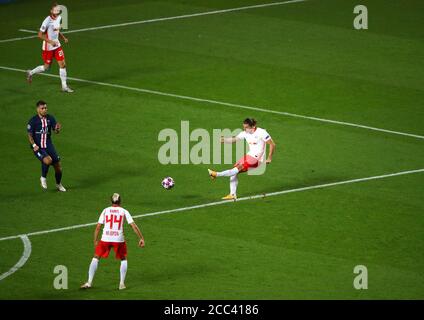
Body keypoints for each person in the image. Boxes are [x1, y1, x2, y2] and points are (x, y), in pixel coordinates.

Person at [81, 193, 145, 290]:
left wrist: (95, 240)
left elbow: (98, 227)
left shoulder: (105, 210)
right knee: (123, 258)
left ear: (111, 201)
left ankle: (89, 282)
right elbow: (133, 226)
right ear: (120, 202)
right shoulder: (124, 211)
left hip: (105, 238)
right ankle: (121, 284)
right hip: (118, 239)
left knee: (96, 257)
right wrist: (141, 238)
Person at [208, 118, 276, 200]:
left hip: (257, 159)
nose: (244, 129)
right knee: (234, 171)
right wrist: (224, 140)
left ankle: (216, 174)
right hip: (249, 155)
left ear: (253, 126)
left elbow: (272, 144)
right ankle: (232, 194)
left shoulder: (261, 132)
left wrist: (269, 158)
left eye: (246, 127)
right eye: (244, 127)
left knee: (236, 170)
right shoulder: (245, 133)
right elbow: (234, 139)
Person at [26, 3, 73, 93]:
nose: (57, 11)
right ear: (51, 11)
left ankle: (64, 86)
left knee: (63, 65)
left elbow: (57, 30)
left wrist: (63, 38)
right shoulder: (47, 20)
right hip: (48, 48)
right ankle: (30, 72)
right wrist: (51, 42)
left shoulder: (59, 18)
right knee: (46, 67)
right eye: (55, 9)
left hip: (57, 45)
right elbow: (39, 35)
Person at [27, 100, 66, 192]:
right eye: (42, 108)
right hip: (38, 147)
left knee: (59, 167)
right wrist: (33, 145)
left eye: (45, 108)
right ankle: (43, 178)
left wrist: (57, 129)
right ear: (38, 109)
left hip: (49, 145)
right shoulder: (33, 121)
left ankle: (58, 184)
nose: (45, 110)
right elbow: (30, 135)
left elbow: (55, 131)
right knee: (48, 160)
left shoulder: (50, 118)